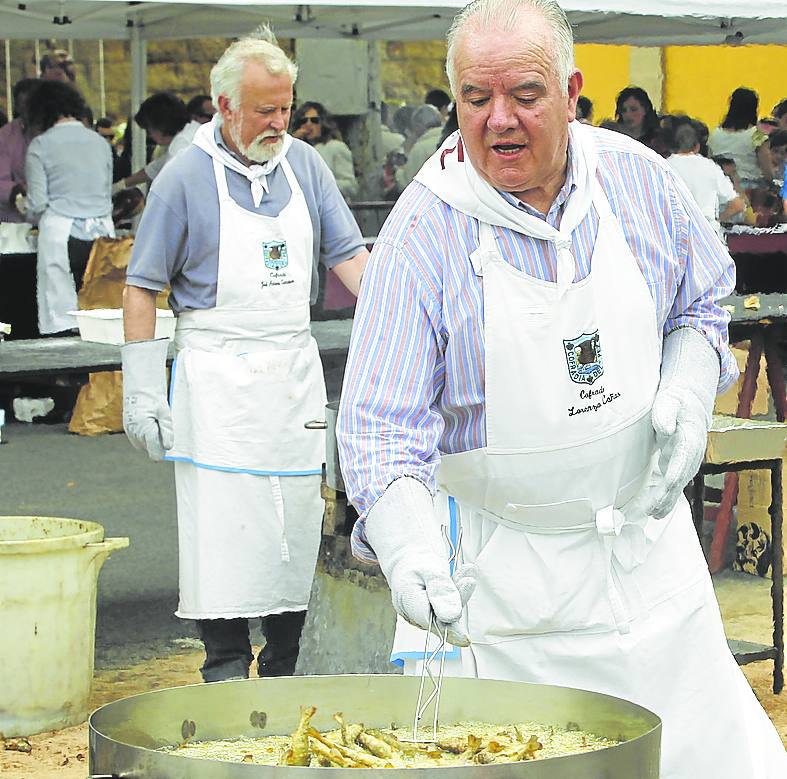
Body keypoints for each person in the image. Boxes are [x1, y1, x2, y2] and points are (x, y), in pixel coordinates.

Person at [336, 1, 787, 777]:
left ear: (571, 90)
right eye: (475, 99)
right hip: (504, 604)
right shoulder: (422, 232)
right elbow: (380, 431)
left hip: (651, 573)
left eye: (524, 95)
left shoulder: (638, 181)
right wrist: (408, 548)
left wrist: (684, 383)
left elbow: (700, 304)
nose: (498, 121)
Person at [120, 26, 369, 683]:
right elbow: (142, 287)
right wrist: (141, 392)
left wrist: (405, 324)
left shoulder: (305, 165)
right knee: (224, 531)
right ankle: (225, 664)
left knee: (293, 525)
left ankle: (287, 663)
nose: (280, 122)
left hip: (290, 377)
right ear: (223, 106)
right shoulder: (182, 178)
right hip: (216, 382)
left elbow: (349, 260)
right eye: (265, 110)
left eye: (285, 107)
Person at [24, 81, 114, 335]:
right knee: (100, 311)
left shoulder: (41, 145)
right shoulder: (100, 143)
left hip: (61, 231)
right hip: (102, 234)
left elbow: (37, 204)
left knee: (61, 314)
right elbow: (105, 190)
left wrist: (26, 210)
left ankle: (65, 374)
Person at [667, 123, 744, 237]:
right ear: (697, 146)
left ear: (671, 146)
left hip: (674, 233)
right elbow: (738, 205)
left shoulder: (664, 166)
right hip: (707, 233)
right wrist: (717, 221)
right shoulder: (710, 167)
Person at [113, 92, 194, 192]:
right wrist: (122, 185)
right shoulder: (190, 133)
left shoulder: (182, 144)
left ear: (160, 125)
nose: (149, 135)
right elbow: (155, 168)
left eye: (149, 130)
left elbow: (171, 187)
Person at [291, 101, 359, 200]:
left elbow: (351, 186)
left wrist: (320, 185)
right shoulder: (297, 151)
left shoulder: (336, 147)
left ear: (323, 123)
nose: (308, 124)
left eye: (314, 120)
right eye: (304, 121)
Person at [708, 88, 773, 191]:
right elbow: (768, 172)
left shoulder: (714, 134)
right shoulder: (756, 135)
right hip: (750, 189)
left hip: (720, 186)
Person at [0, 78, 39, 224]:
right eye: (24, 107)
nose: (29, 112)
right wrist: (18, 189)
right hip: (13, 221)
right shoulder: (4, 136)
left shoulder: (55, 132)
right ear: (17, 107)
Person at [395, 103, 443, 191]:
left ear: (418, 126)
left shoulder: (420, 149)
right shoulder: (454, 139)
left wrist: (399, 171)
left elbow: (407, 183)